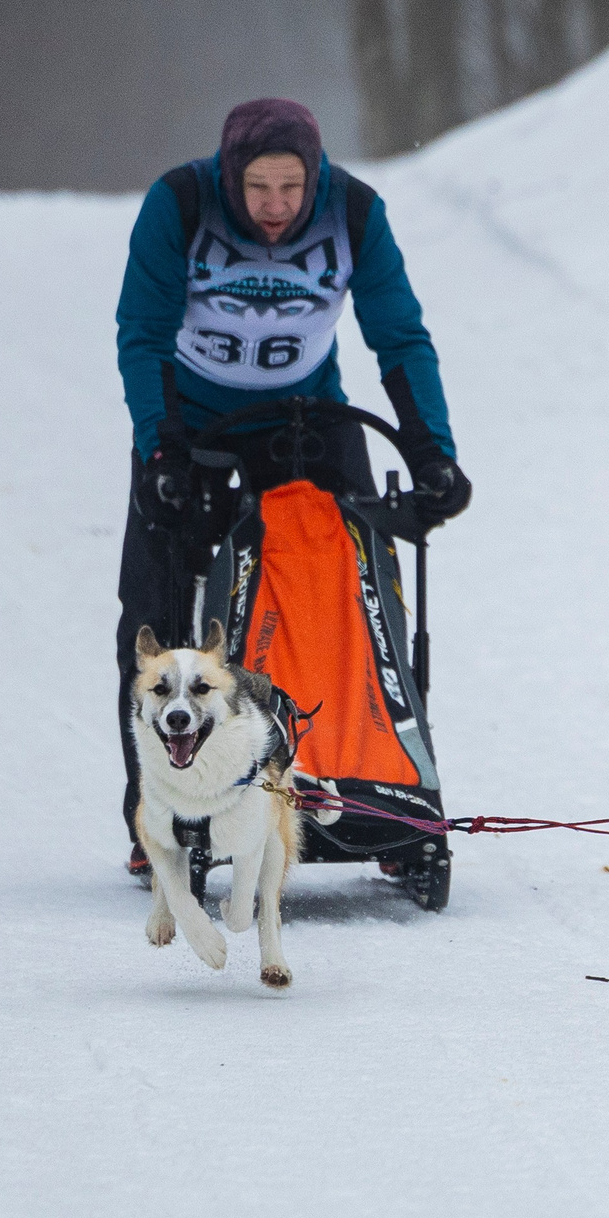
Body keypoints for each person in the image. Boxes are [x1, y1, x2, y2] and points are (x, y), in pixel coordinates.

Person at [113, 98, 468, 876]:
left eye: (291, 189)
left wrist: (432, 452)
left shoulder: (354, 213)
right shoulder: (180, 204)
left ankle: (375, 785)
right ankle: (165, 814)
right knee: (157, 612)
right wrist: (161, 448)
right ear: (228, 177)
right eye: (258, 189)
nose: (276, 207)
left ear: (316, 180)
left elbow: (399, 335)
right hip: (190, 421)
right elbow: (141, 333)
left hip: (306, 416)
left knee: (353, 588)